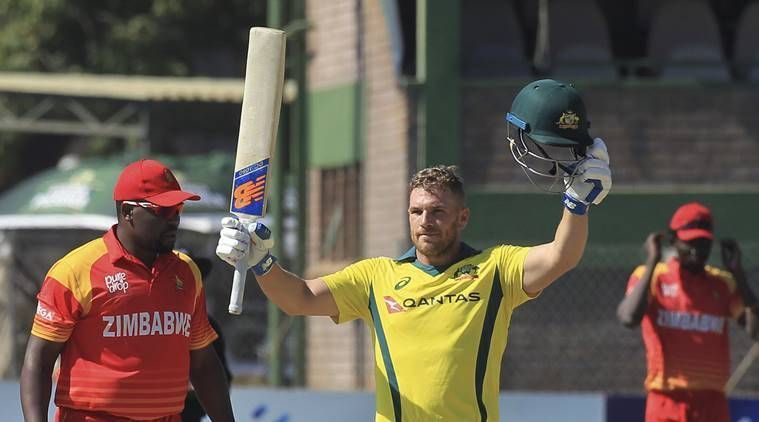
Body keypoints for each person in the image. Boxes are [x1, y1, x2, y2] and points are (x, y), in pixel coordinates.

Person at [216, 79, 612, 421]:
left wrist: (576, 204)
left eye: (438, 212)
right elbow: (300, 298)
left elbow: (563, 255)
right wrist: (261, 261)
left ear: (462, 218)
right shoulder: (375, 277)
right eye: (417, 211)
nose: (425, 220)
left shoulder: (495, 269)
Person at [20, 159, 234, 422]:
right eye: (163, 210)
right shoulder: (74, 271)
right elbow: (38, 362)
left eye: (178, 208)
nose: (175, 219)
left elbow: (203, 364)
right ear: (128, 211)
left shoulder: (187, 273)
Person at [617, 202, 759, 422]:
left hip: (712, 403)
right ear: (673, 240)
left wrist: (739, 275)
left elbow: (755, 332)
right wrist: (653, 260)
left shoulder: (723, 283)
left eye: (703, 243)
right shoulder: (653, 277)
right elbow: (628, 318)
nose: (696, 250)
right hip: (666, 400)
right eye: (690, 242)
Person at [180, 254, 233, 422]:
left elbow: (216, 374)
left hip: (189, 413)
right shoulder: (149, 322)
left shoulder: (209, 327)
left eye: (193, 278)